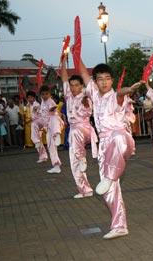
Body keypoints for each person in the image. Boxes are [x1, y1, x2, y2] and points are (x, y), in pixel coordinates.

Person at [78, 58, 140, 239]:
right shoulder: (95, 95)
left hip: (122, 141)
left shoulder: (116, 96)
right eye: (100, 79)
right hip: (105, 147)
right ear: (95, 81)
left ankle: (111, 175)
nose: (104, 82)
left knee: (117, 136)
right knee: (109, 189)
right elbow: (82, 72)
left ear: (112, 80)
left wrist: (131, 89)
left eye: (107, 78)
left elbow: (121, 93)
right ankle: (119, 226)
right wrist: (75, 52)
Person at [60, 60, 98, 199]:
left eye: (77, 85)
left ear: (82, 85)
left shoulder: (86, 97)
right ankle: (85, 190)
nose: (74, 88)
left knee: (75, 133)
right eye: (72, 85)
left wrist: (87, 100)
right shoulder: (68, 95)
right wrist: (63, 59)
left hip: (85, 129)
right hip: (74, 132)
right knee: (73, 162)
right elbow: (63, 76)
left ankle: (82, 158)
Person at [31, 86, 64, 173]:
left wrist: (52, 109)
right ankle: (56, 166)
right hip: (48, 126)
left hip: (55, 124)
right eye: (43, 94)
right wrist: (36, 111)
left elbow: (53, 108)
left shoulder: (51, 101)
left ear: (50, 94)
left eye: (47, 94)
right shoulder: (42, 102)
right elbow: (40, 115)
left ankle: (57, 135)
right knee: (51, 146)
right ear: (40, 95)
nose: (45, 96)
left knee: (53, 117)